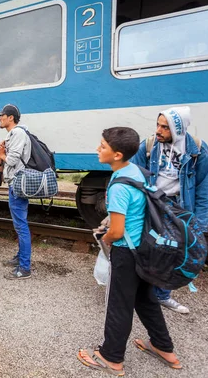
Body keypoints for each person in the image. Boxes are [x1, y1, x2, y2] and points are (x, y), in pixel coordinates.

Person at [78, 127, 181, 376]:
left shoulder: (118, 186)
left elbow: (117, 230)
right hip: (145, 249)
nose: (97, 149)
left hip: (126, 252)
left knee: (119, 305)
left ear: (117, 154)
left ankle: (111, 357)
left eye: (102, 146)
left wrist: (106, 237)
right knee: (146, 300)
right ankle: (163, 347)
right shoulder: (137, 172)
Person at [131, 106, 208, 314]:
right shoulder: (148, 146)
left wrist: (200, 226)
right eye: (158, 125)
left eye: (165, 127)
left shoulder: (198, 150)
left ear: (178, 130)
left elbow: (204, 189)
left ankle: (162, 296)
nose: (158, 130)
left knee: (170, 251)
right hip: (153, 205)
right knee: (148, 247)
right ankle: (140, 293)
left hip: (179, 209)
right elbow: (134, 177)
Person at [0, 104, 32, 280]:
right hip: (16, 183)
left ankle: (24, 267)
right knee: (20, 224)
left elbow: (12, 159)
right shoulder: (15, 134)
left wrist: (2, 154)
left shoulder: (18, 133)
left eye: (2, 116)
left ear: (11, 118)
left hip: (17, 184)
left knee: (21, 225)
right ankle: (20, 258)